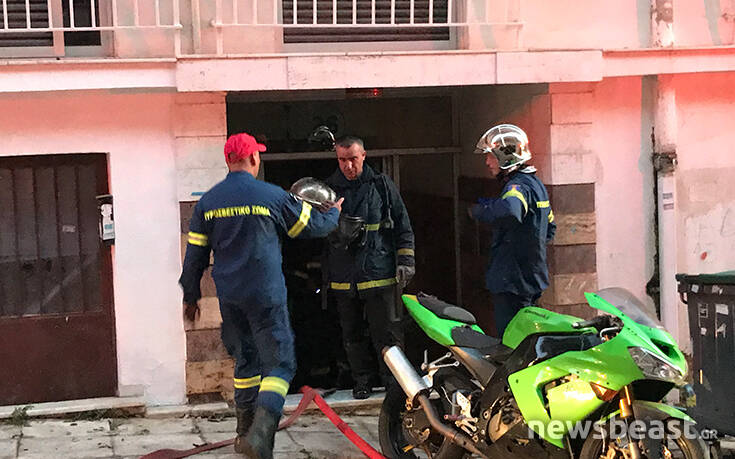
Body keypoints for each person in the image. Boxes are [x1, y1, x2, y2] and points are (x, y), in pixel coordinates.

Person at [179, 133, 342, 459]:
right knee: (280, 364)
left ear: (227, 161)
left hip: (230, 297)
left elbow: (194, 255)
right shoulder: (272, 196)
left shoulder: (208, 203)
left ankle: (244, 433)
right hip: (265, 294)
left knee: (246, 361)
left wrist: (191, 296)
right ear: (254, 159)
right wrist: (333, 213)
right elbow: (310, 227)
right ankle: (261, 435)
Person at [324, 136, 415, 400]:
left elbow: (402, 225)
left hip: (379, 274)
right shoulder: (329, 190)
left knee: (386, 334)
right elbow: (316, 231)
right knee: (351, 335)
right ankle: (361, 381)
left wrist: (406, 261)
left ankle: (393, 383)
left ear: (363, 155)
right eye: (342, 160)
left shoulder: (381, 185)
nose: (348, 165)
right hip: (344, 277)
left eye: (353, 159)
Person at [468, 124, 556, 338]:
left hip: (512, 283)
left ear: (505, 157)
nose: (487, 162)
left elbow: (511, 211)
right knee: (527, 338)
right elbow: (550, 228)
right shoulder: (536, 185)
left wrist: (480, 211)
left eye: (490, 156)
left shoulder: (517, 187)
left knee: (511, 340)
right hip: (530, 278)